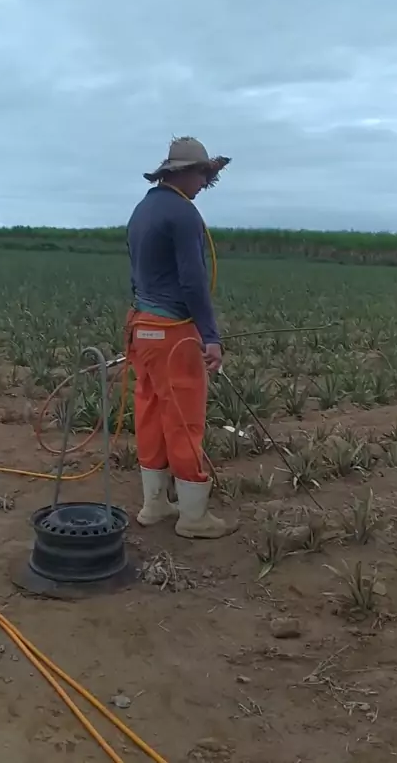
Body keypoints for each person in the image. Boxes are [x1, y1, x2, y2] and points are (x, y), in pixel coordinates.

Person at [126, 136, 237, 539]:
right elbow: (193, 281)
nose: (204, 184)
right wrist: (210, 335)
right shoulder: (184, 214)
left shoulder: (142, 209)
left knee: (151, 411)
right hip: (174, 334)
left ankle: (154, 504)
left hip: (142, 328)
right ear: (184, 173)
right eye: (202, 175)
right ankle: (193, 517)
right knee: (184, 417)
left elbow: (135, 271)